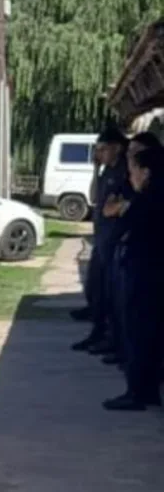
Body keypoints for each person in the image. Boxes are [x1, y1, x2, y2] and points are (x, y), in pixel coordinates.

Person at [103, 146, 164, 411]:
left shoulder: (146, 201)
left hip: (144, 274)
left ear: (146, 172)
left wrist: (126, 208)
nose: (131, 177)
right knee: (149, 335)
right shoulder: (153, 198)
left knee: (138, 333)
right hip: (151, 274)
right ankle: (147, 389)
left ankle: (137, 391)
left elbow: (129, 228)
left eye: (134, 171)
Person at [72, 128, 129, 358]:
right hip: (102, 238)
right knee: (95, 286)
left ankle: (111, 338)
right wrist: (96, 169)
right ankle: (98, 330)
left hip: (114, 240)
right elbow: (94, 197)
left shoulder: (124, 171)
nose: (99, 154)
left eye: (103, 149)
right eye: (97, 150)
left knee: (110, 293)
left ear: (117, 147)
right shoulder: (107, 171)